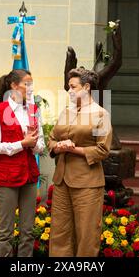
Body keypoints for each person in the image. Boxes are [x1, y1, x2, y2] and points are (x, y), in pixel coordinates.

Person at [48, 67, 113, 257]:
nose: (69, 90)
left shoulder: (101, 114)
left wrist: (72, 149)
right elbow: (52, 138)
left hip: (87, 182)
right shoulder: (66, 112)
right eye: (68, 87)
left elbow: (102, 149)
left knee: (87, 233)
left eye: (73, 87)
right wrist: (58, 146)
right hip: (61, 180)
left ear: (86, 87)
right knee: (59, 232)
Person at [0, 69, 45, 257]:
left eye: (32, 84)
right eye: (26, 84)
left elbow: (41, 146)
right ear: (13, 86)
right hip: (6, 177)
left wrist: (34, 143)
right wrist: (22, 143)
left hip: (28, 174)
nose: (30, 88)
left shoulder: (33, 110)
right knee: (6, 232)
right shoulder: (0, 110)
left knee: (28, 230)